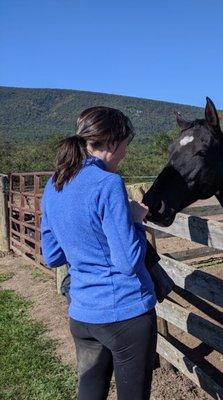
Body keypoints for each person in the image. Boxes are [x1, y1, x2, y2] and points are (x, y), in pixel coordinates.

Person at [41, 106, 157, 400]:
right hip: (125, 315)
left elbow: (52, 255)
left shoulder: (54, 184)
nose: (125, 154)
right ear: (112, 142)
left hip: (82, 314)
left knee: (90, 392)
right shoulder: (109, 184)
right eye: (126, 146)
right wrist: (135, 221)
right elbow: (128, 262)